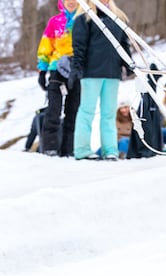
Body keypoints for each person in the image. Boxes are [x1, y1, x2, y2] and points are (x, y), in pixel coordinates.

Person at [69, 0, 130, 160]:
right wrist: (77, 66)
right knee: (87, 111)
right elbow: (79, 45)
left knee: (109, 114)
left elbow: (124, 44)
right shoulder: (85, 17)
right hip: (91, 72)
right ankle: (82, 150)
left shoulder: (119, 18)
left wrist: (128, 63)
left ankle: (110, 150)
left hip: (112, 73)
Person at [36, 0, 81, 157]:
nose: (71, 2)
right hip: (57, 70)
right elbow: (46, 46)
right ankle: (50, 147)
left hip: (78, 70)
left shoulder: (85, 19)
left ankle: (69, 149)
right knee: (53, 110)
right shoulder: (55, 22)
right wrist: (42, 71)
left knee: (73, 110)